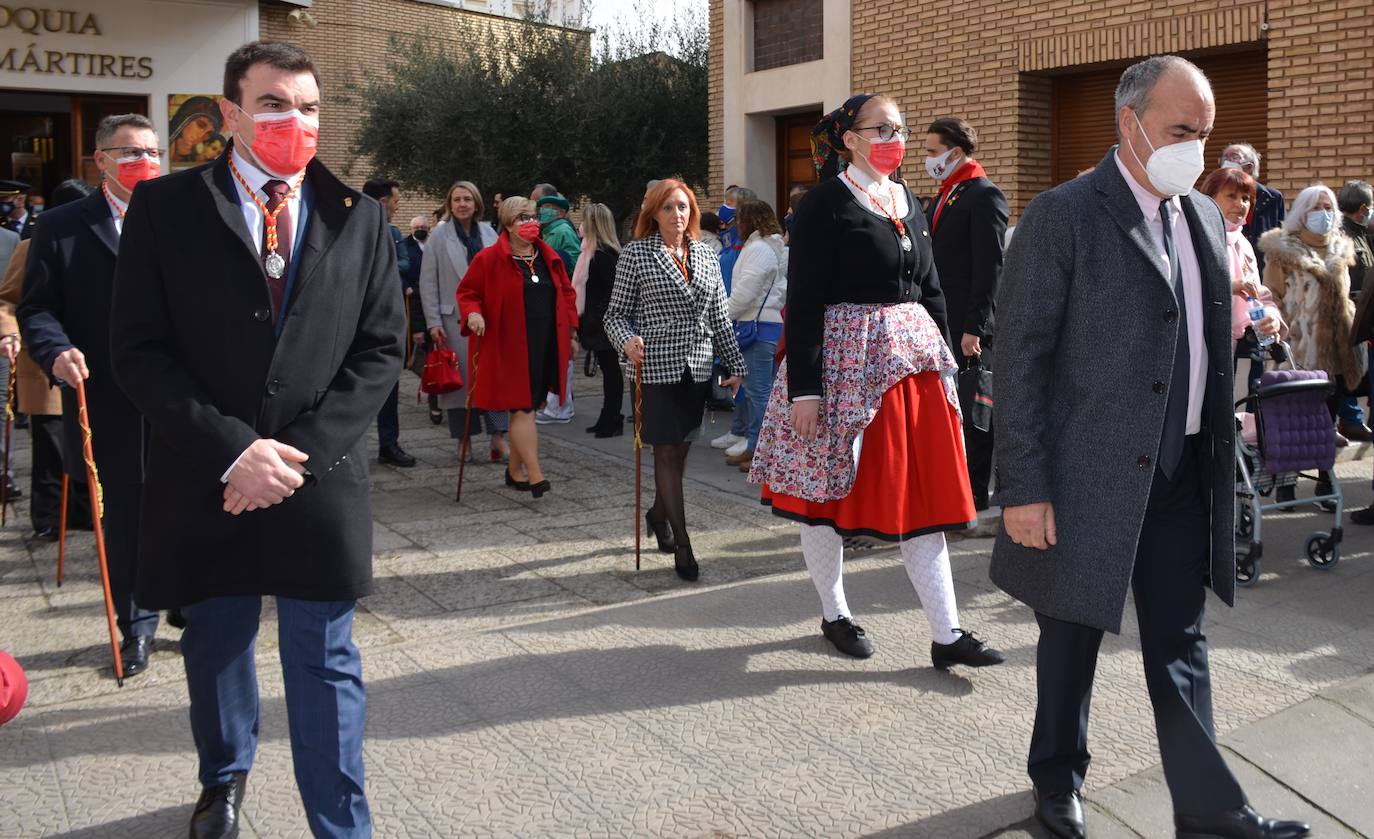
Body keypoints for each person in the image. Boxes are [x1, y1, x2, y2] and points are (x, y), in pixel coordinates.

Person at [993, 55, 1310, 839]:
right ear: (1128, 122)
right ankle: (1056, 784)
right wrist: (1024, 485)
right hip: (1082, 477)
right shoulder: (1062, 215)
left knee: (1182, 642)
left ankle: (1210, 810)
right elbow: (1020, 359)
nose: (1196, 152)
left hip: (1178, 474)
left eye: (1204, 135)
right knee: (1069, 636)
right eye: (1180, 132)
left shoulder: (1202, 217)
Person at [108, 41, 402, 839]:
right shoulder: (166, 210)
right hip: (212, 477)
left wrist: (291, 456)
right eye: (274, 104)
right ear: (231, 114)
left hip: (318, 476)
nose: (293, 121)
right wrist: (235, 451)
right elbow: (137, 350)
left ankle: (341, 822)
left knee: (325, 658)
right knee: (217, 640)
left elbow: (379, 350)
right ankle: (224, 778)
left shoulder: (361, 217)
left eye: (308, 107)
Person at [748, 94, 1004, 670]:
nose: (897, 137)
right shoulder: (823, 205)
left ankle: (948, 633)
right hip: (844, 368)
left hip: (910, 371)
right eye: (882, 127)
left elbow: (930, 282)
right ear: (850, 139)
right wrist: (805, 390)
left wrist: (946, 359)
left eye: (901, 127)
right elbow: (806, 298)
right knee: (824, 496)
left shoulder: (907, 197)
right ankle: (834, 612)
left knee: (923, 499)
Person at [19, 114, 164, 678]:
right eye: (129, 152)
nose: (142, 161)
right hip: (107, 393)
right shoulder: (61, 227)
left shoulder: (184, 217)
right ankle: (135, 622)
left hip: (183, 393)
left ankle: (183, 599)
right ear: (100, 160)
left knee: (182, 503)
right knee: (124, 511)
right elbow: (37, 306)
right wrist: (54, 350)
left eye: (151, 151)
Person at [605, 178, 745, 581]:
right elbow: (615, 314)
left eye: (683, 207)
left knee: (681, 452)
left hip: (697, 367)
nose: (677, 215)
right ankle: (683, 543)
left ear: (692, 213)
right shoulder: (636, 254)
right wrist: (626, 340)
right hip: (653, 365)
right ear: (654, 213)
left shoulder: (705, 253)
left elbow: (719, 314)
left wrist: (735, 364)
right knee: (665, 452)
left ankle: (657, 513)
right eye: (668, 208)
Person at [458, 196, 577, 497]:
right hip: (509, 345)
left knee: (531, 406)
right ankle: (535, 475)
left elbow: (566, 295)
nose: (531, 222)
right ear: (509, 224)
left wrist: (572, 333)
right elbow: (468, 292)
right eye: (523, 217)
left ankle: (514, 471)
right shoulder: (488, 259)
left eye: (533, 216)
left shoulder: (549, 258)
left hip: (544, 343)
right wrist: (473, 314)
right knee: (522, 408)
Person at [923, 116, 1009, 512]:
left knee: (974, 411)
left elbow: (989, 267)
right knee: (946, 410)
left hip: (967, 327)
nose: (928, 159)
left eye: (932, 151)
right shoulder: (946, 193)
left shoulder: (983, 195)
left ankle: (974, 497)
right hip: (938, 321)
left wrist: (976, 326)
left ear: (955, 152)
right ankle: (949, 492)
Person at [0, 179, 95, 539]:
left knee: (88, 444)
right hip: (46, 364)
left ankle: (86, 511)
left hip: (90, 363)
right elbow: (9, 301)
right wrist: (9, 332)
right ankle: (49, 516)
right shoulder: (32, 245)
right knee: (52, 447)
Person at [1260, 186, 1362, 449]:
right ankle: (1288, 482)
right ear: (1302, 212)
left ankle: (1325, 473)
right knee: (1297, 413)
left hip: (1339, 342)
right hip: (1300, 345)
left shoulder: (1341, 248)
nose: (1323, 213)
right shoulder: (1282, 249)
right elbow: (1271, 294)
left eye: (1328, 208)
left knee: (1330, 402)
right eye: (1316, 208)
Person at [419, 180, 508, 459]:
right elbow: (428, 282)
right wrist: (433, 322)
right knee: (459, 385)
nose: (461, 204)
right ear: (450, 204)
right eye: (456, 199)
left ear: (476, 203)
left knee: (492, 380)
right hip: (452, 322)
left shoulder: (489, 234)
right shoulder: (439, 235)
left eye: (467, 199)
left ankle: (497, 437)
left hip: (489, 320)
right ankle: (463, 439)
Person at [724, 199, 786, 471]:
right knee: (755, 392)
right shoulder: (765, 246)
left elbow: (745, 291)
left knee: (759, 393)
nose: (736, 223)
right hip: (761, 324)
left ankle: (763, 452)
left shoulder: (760, 248)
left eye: (739, 217)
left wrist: (723, 315)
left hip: (757, 326)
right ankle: (754, 446)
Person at [362, 176, 416, 468]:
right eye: (395, 203)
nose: (396, 209)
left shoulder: (393, 233)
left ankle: (388, 443)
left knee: (388, 385)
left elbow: (404, 263)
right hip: (356, 319)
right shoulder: (351, 228)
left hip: (387, 319)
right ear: (383, 203)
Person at [573, 203, 624, 438]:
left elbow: (611, 292)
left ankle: (612, 418)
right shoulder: (592, 253)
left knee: (611, 372)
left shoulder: (603, 255)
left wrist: (599, 319)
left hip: (604, 324)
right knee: (608, 371)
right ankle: (608, 416)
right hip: (597, 323)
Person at [532, 192, 582, 425]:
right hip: (550, 296)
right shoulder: (548, 232)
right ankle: (556, 403)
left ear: (561, 212)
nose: (544, 211)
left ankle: (560, 406)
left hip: (559, 296)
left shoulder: (561, 231)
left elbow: (572, 258)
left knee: (562, 354)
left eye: (549, 207)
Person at [1220, 143, 1284, 273]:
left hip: (1264, 273)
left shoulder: (1272, 198)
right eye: (1224, 158)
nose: (1226, 161)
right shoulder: (1215, 194)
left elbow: (1283, 239)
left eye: (1233, 157)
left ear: (1249, 167)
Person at [0, 221, 18, 500]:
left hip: (0, 344)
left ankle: (4, 473)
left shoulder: (8, 239)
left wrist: (9, 332)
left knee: (2, 405)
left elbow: (8, 298)